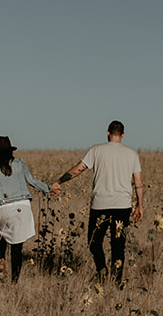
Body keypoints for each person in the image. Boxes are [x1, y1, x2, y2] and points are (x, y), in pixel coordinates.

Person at [53, 120, 142, 287]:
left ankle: (102, 272)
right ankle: (116, 282)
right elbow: (138, 182)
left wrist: (60, 180)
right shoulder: (132, 154)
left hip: (100, 205)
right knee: (118, 246)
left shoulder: (96, 150)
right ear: (122, 135)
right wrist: (140, 205)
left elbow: (77, 169)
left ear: (108, 133)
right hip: (123, 207)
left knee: (94, 243)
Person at [0, 135, 52, 283]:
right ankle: (14, 281)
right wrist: (48, 188)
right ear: (11, 150)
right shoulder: (19, 163)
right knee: (17, 247)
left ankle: (1, 258)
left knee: (1, 237)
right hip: (21, 206)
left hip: (2, 207)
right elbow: (32, 181)